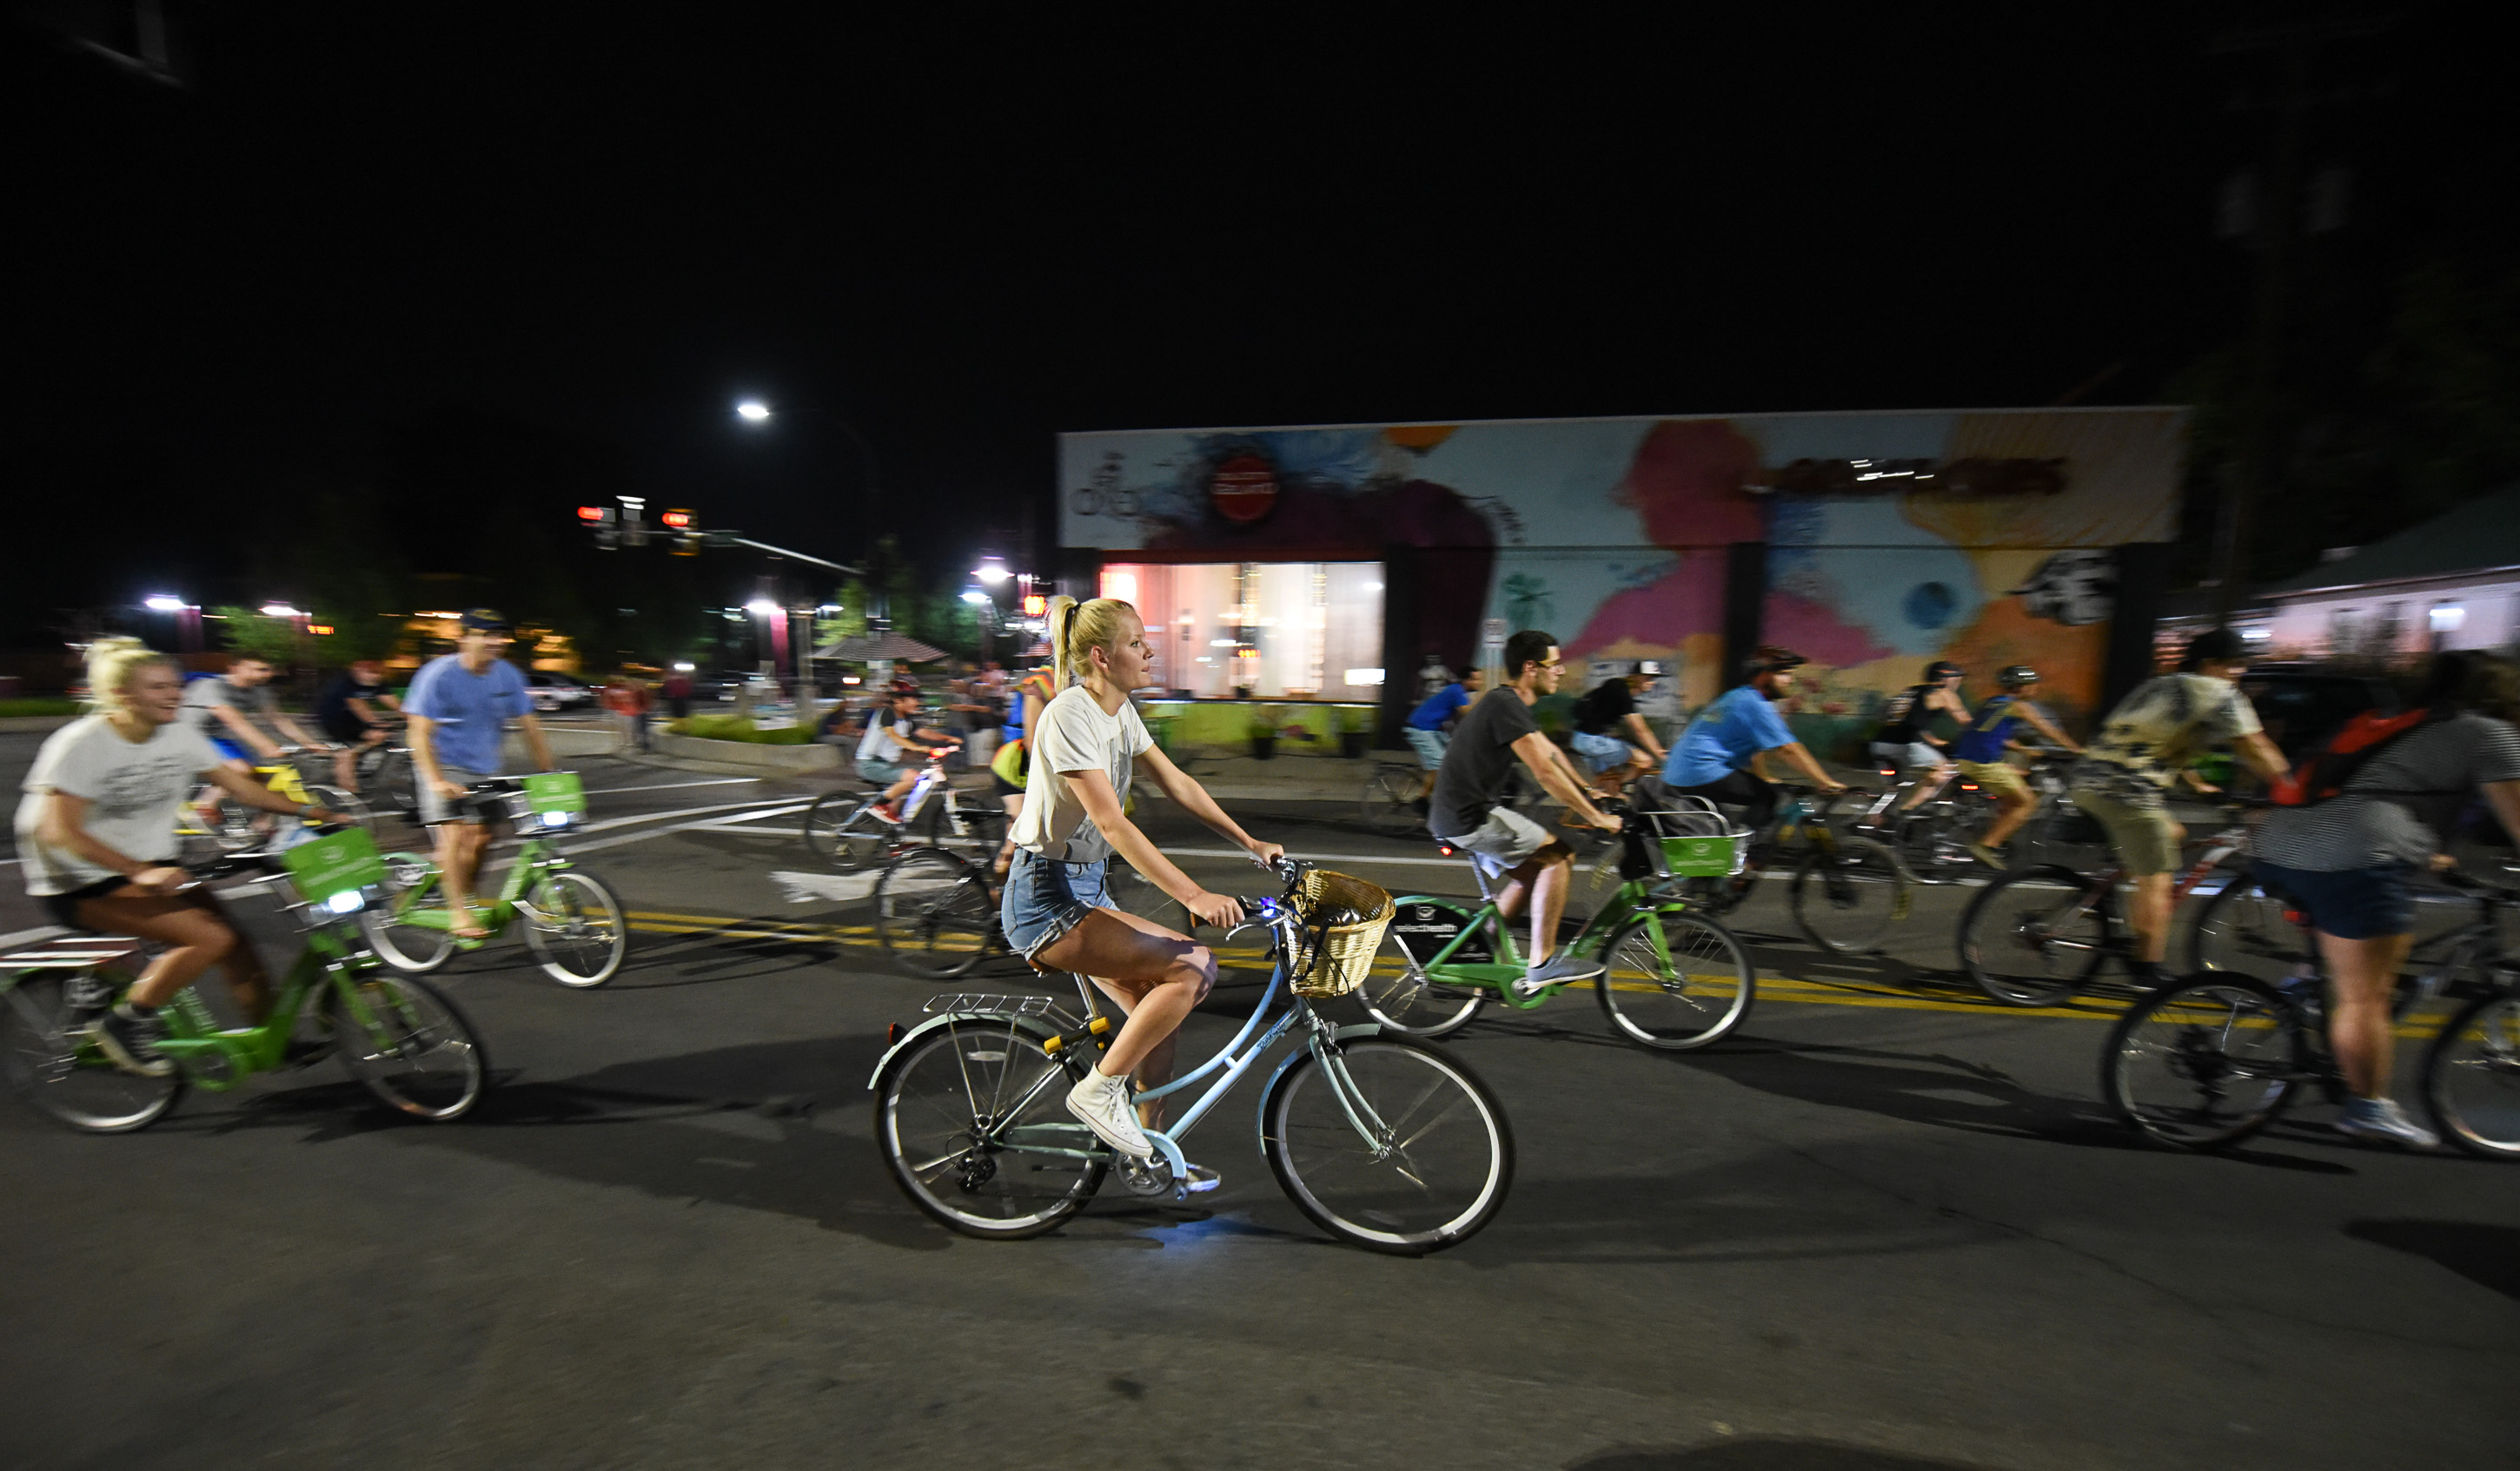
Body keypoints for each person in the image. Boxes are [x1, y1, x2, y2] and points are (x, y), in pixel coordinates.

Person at [1004, 596, 1283, 1184]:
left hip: (1084, 887)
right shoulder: (1069, 715)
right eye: (1137, 642)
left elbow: (1177, 782)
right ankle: (1099, 1091)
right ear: (1102, 657)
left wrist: (1249, 841)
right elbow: (1111, 823)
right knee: (1194, 966)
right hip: (1046, 898)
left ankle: (1146, 1155)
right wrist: (1196, 894)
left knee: (1160, 1017)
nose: (1149, 650)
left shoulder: (1119, 710)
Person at [18, 639, 348, 1076]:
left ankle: (273, 1040)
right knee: (209, 938)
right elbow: (58, 831)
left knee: (236, 943)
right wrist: (139, 872)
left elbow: (240, 786)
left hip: (149, 864)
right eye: (157, 688)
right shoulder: (82, 744)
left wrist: (312, 811)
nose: (174, 695)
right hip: (79, 877)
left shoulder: (177, 733)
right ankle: (123, 1023)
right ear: (121, 695)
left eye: (175, 685)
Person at [2249, 650, 2520, 1149]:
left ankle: (2301, 996)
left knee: (2344, 963)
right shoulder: (2491, 733)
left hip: (2277, 844)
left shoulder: (2391, 720)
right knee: (2367, 996)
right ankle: (2366, 1108)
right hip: (2350, 855)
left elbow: (2371, 788)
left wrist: (2426, 852)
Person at [2066, 627, 2289, 990]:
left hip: (2086, 780)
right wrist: (2293, 788)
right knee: (2159, 875)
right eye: (2235, 664)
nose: (2241, 672)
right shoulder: (2218, 693)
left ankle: (2129, 900)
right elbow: (2255, 748)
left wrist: (2198, 784)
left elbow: (2147, 740)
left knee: (2173, 833)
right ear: (2210, 665)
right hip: (2127, 793)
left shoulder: (2160, 686)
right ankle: (2147, 968)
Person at [1429, 630, 1624, 996]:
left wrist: (1586, 791)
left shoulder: (1510, 703)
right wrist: (1596, 818)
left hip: (1464, 812)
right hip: (1468, 816)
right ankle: (1542, 963)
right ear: (1531, 668)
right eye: (1555, 664)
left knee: (1531, 872)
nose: (1562, 671)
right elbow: (1544, 772)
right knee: (1558, 857)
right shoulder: (1505, 703)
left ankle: (1477, 954)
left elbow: (1550, 752)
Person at [405, 609, 555, 941]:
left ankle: (459, 891)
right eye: (486, 635)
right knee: (456, 835)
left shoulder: (508, 675)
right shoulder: (439, 676)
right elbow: (418, 734)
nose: (496, 642)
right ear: (463, 638)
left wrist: (549, 770)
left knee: (485, 838)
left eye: (500, 635)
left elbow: (529, 724)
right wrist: (436, 781)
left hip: (485, 766)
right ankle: (459, 912)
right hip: (442, 764)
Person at [1664, 646, 1847, 832]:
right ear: (1764, 675)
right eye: (1783, 674)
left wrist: (1764, 776)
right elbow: (1788, 749)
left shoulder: (1738, 695)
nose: (1789, 680)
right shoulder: (1755, 705)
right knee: (1767, 797)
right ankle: (1749, 857)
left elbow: (1755, 749)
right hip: (1701, 770)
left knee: (1721, 829)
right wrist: (1824, 781)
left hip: (1679, 770)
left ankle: (1732, 852)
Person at [1950, 665, 2083, 867]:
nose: (2035, 688)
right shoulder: (2018, 706)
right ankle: (1987, 845)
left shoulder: (1992, 704)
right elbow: (2048, 730)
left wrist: (2025, 751)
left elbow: (1994, 735)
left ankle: (1997, 836)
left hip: (1966, 759)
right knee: (2029, 802)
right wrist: (2076, 750)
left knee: (2013, 797)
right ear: (2021, 686)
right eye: (2031, 684)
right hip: (1984, 764)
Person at [1869, 660, 1971, 813]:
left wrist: (1933, 740)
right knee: (1945, 771)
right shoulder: (1944, 693)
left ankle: (1874, 820)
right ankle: (1907, 812)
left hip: (1879, 744)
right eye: (1956, 678)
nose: (1959, 682)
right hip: (1904, 745)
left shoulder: (1912, 691)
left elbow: (1907, 720)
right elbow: (1967, 722)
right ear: (1943, 678)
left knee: (1892, 791)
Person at [990, 664, 1059, 880]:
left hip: (1029, 762)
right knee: (1020, 825)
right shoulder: (1041, 681)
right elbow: (1032, 740)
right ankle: (995, 882)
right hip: (1016, 764)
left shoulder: (1065, 682)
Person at [1569, 662, 1669, 802]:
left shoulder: (1615, 685)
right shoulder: (1622, 691)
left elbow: (1600, 715)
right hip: (1593, 741)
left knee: (1610, 782)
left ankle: (1589, 805)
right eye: (1648, 678)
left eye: (1653, 679)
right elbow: (1640, 730)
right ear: (1635, 677)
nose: (1652, 682)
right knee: (1645, 761)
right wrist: (1659, 752)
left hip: (1582, 739)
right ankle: (1610, 790)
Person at [857, 688, 959, 820]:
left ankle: (894, 836)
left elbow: (924, 732)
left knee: (894, 804)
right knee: (912, 777)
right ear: (899, 701)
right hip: (869, 763)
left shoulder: (907, 720)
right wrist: (918, 748)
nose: (917, 703)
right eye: (914, 699)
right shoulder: (887, 713)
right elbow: (893, 735)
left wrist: (948, 738)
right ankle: (878, 806)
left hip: (885, 765)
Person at [314, 658, 401, 792]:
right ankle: (349, 792)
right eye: (371, 673)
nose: (375, 677)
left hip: (353, 720)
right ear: (358, 670)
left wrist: (414, 717)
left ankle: (357, 757)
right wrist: (376, 723)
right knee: (346, 753)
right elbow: (357, 705)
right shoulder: (345, 682)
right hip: (332, 719)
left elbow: (393, 702)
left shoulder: (378, 682)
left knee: (380, 736)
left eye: (378, 674)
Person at [1401, 666, 1484, 803]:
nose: (1480, 682)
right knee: (1439, 763)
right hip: (1420, 728)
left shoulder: (1458, 691)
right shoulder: (1457, 690)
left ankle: (1444, 792)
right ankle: (1422, 800)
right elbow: (1467, 714)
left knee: (1454, 755)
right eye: (1476, 679)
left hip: (1433, 729)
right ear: (1467, 680)